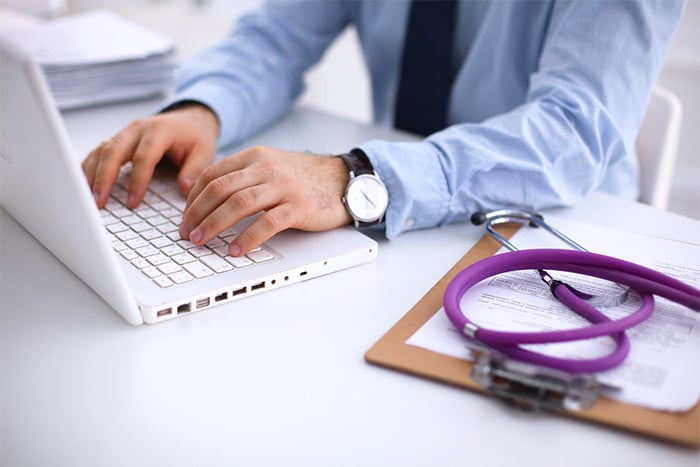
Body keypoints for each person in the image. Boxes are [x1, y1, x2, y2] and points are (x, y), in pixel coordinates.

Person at [82, 0, 685, 258]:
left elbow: (572, 136)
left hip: (556, 232)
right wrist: (200, 110)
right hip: (397, 235)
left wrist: (354, 180)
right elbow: (275, 38)